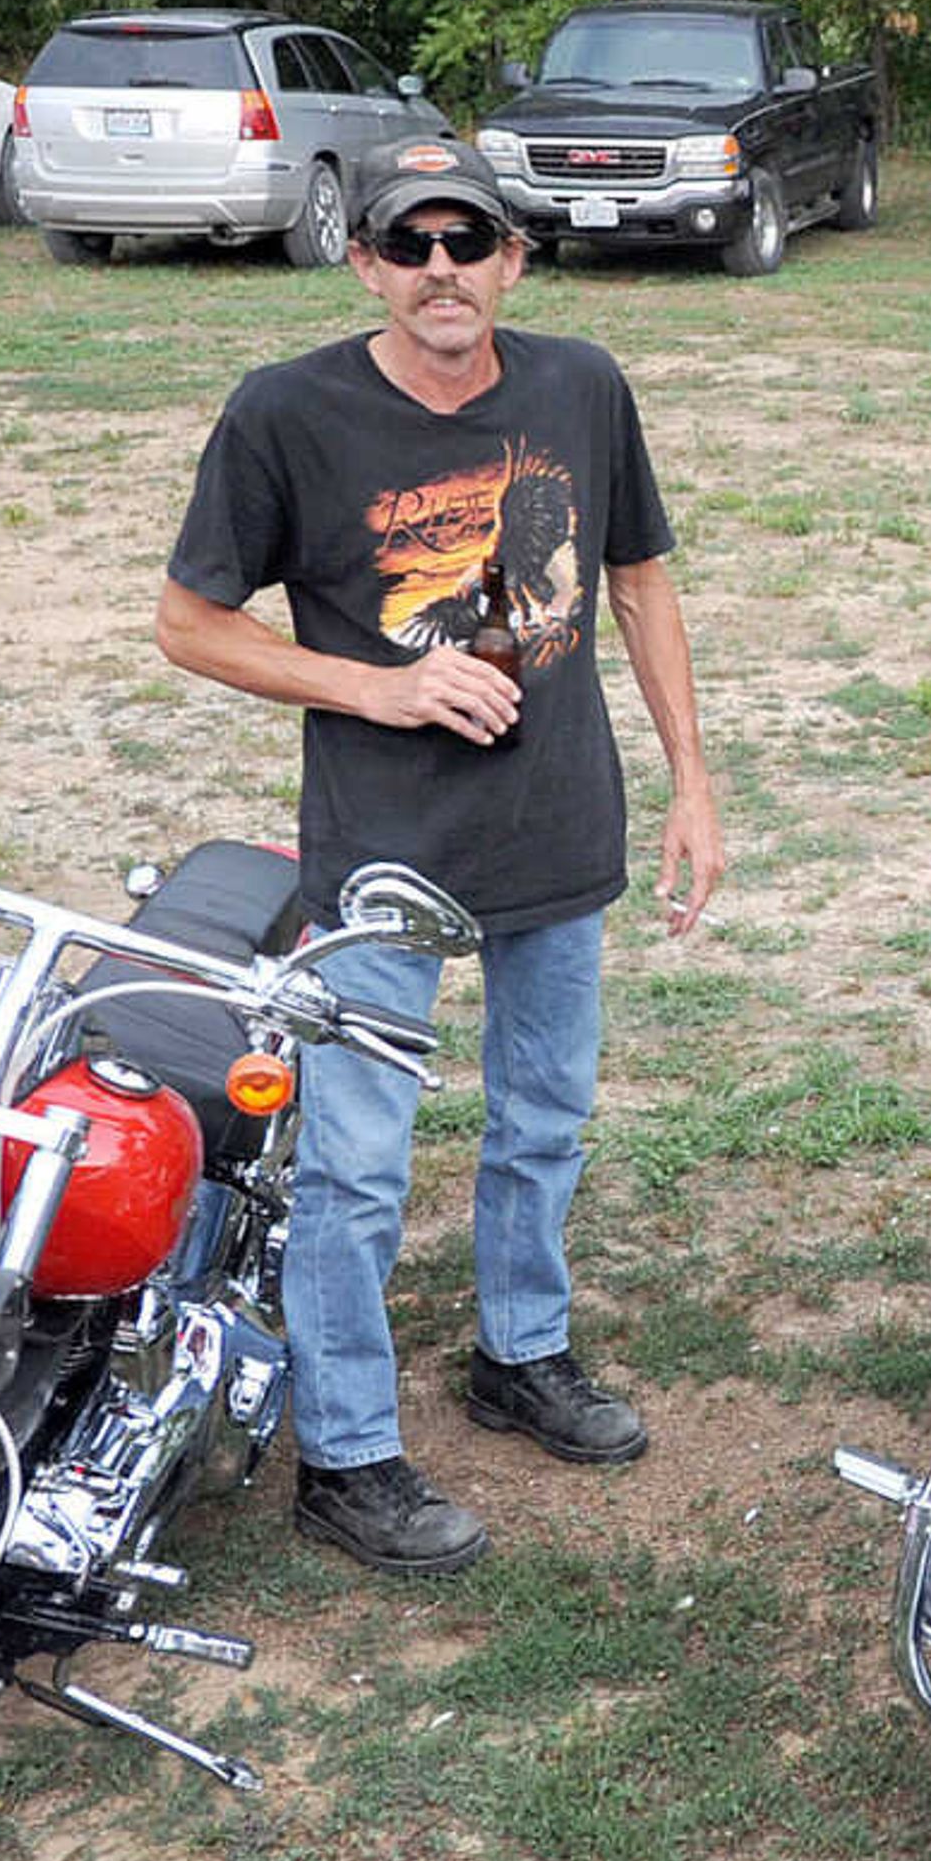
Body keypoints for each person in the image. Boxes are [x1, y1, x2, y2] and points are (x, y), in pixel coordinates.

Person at [158, 136, 722, 1577]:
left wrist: (692, 785)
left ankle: (519, 1355)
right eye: (409, 246)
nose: (440, 272)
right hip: (386, 849)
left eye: (469, 242)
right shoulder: (289, 413)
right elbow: (189, 622)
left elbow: (641, 579)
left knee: (544, 1117)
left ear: (513, 261)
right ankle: (346, 1455)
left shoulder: (580, 385)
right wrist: (384, 686)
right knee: (353, 1164)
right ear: (365, 263)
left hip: (557, 819)